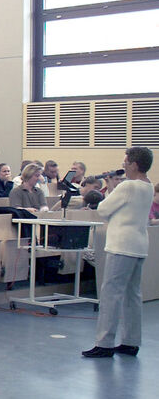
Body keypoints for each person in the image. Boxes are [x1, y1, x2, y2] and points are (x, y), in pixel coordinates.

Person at [83, 147, 154, 358]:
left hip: (122, 246)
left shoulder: (127, 187)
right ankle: (131, 341)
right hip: (139, 245)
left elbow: (104, 209)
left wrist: (112, 187)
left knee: (111, 294)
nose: (123, 164)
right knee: (132, 295)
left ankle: (104, 343)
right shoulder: (148, 186)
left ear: (133, 164)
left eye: (125, 161)